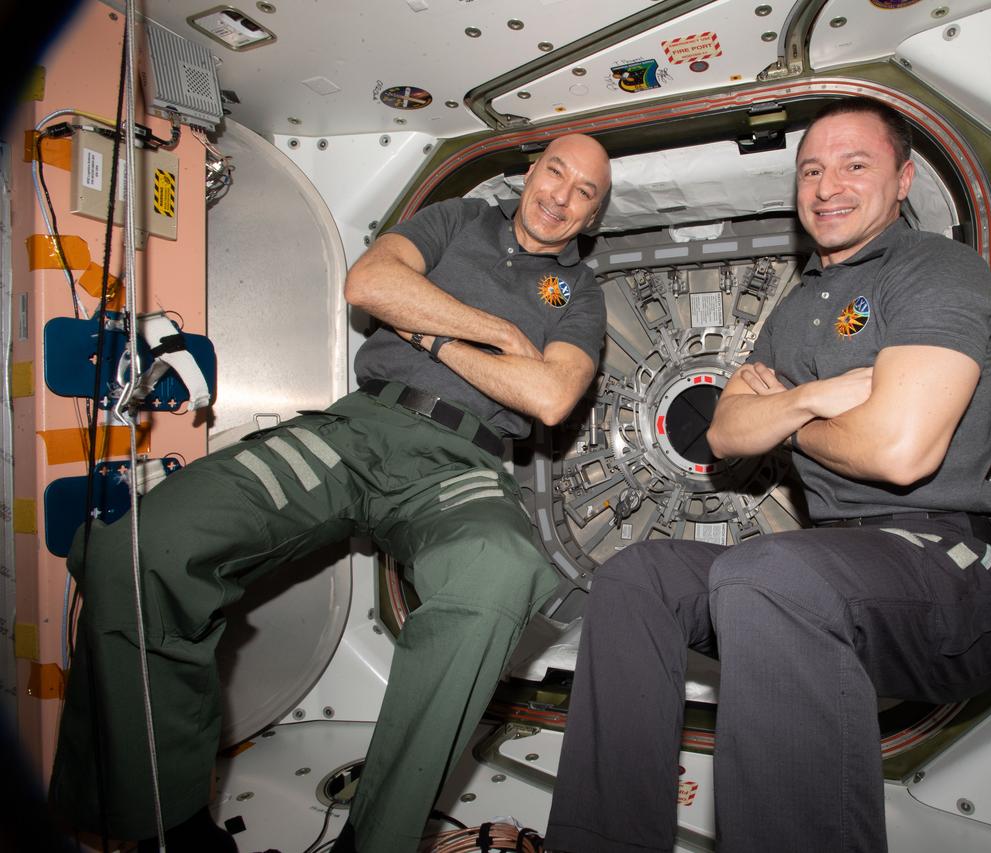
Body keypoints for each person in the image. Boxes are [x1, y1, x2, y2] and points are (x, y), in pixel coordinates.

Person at [49, 133, 612, 853]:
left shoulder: (580, 292)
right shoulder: (456, 221)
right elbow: (369, 284)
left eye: (584, 192)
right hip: (360, 427)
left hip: (462, 461)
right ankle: (167, 823)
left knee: (501, 574)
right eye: (555, 171)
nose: (560, 195)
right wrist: (496, 333)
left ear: (591, 216)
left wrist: (426, 329)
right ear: (530, 171)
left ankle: (371, 842)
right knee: (144, 547)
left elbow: (552, 394)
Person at [543, 100, 991, 853]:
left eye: (854, 165)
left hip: (954, 577)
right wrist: (816, 398)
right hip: (828, 566)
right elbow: (724, 430)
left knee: (768, 570)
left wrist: (782, 413)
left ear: (903, 180)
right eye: (811, 169)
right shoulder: (798, 308)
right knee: (637, 576)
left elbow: (899, 451)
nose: (827, 185)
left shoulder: (935, 270)